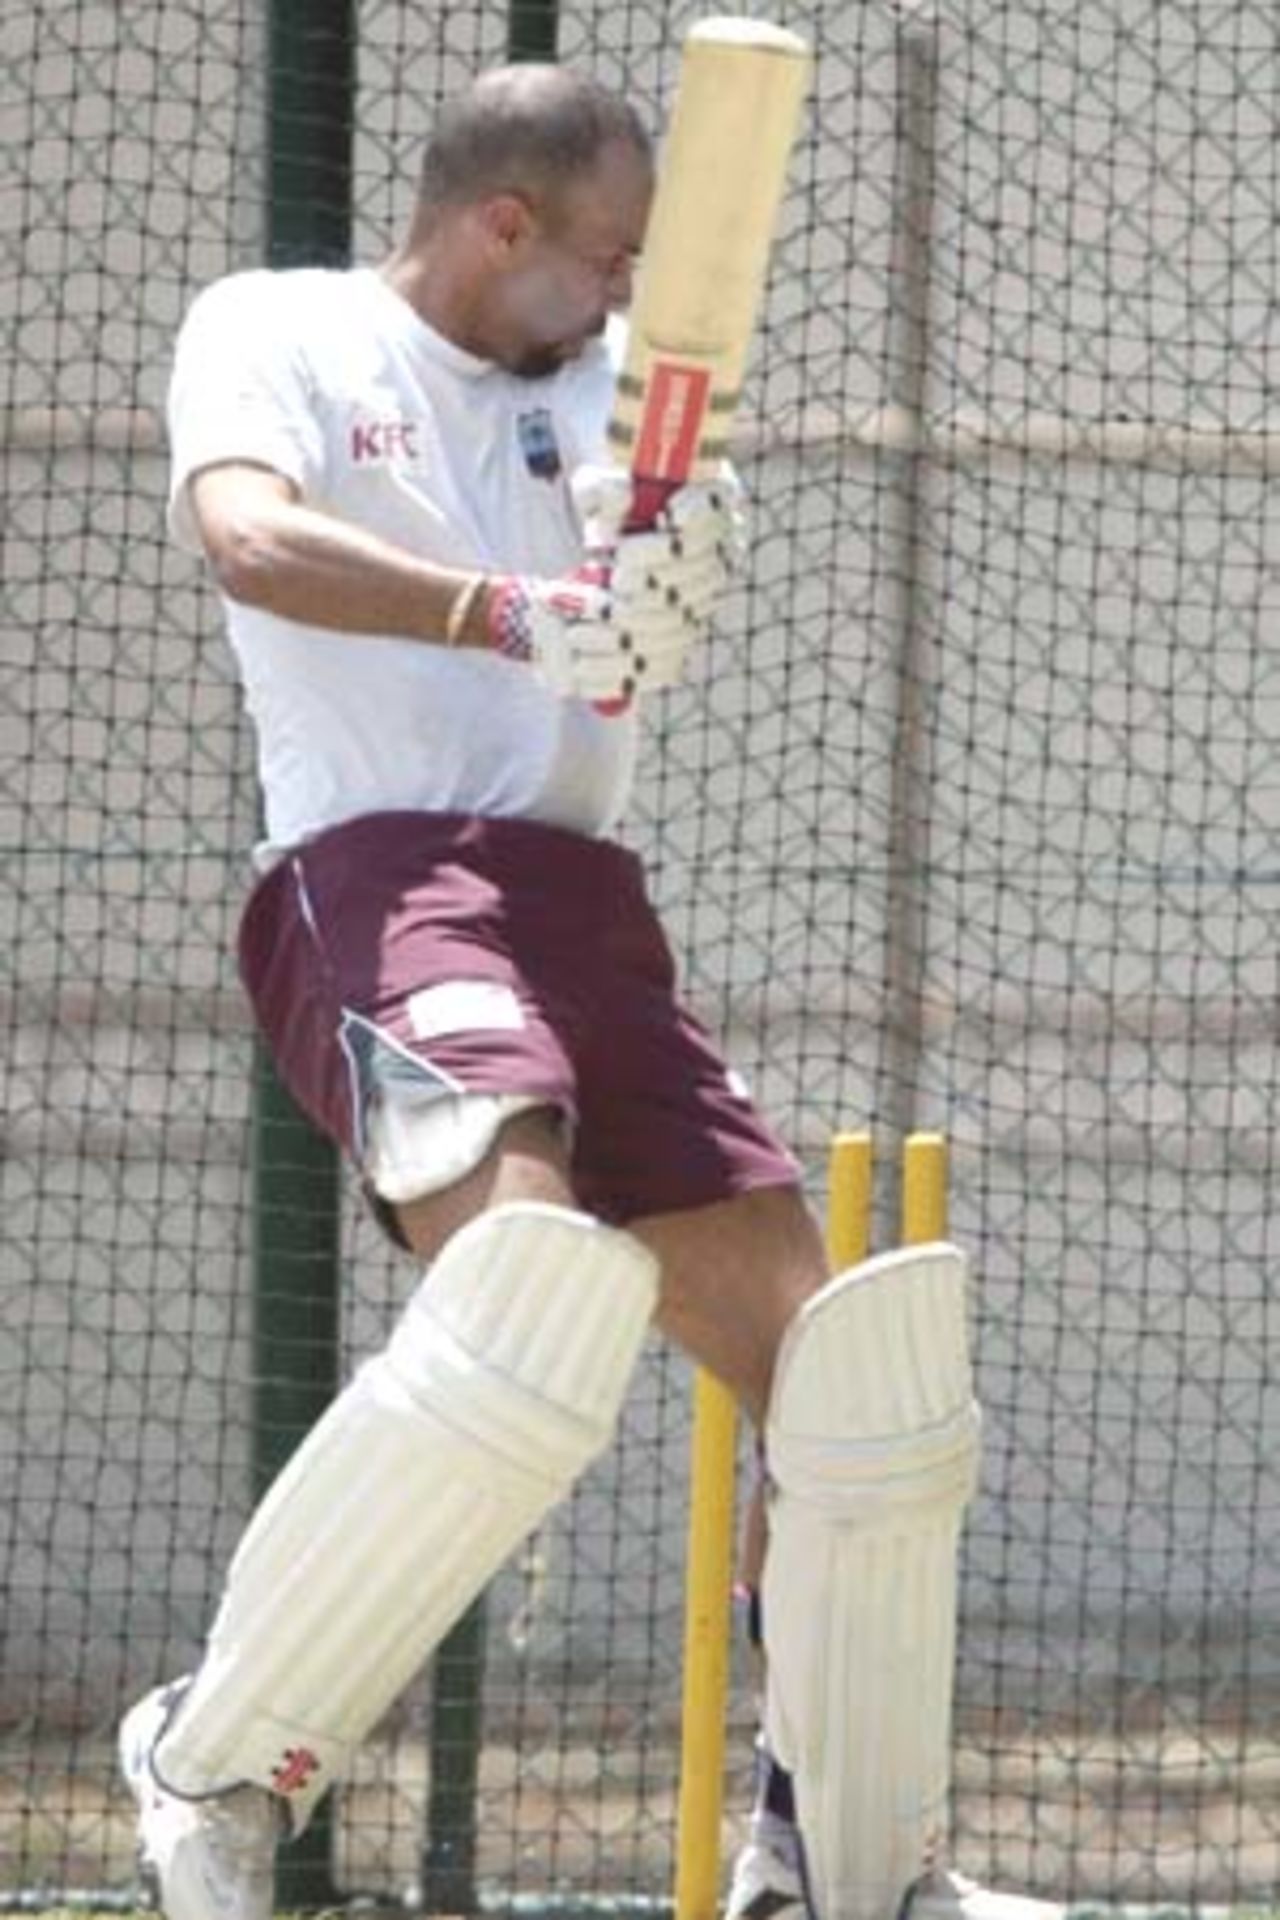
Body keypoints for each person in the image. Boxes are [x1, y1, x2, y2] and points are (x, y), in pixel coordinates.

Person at [118, 61, 1060, 1920]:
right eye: (610, 255)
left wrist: (666, 572)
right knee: (524, 1292)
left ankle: (845, 1865)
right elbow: (242, 536)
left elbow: (631, 598)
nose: (636, 291)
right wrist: (511, 610)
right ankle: (209, 1760)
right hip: (378, 872)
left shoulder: (617, 393)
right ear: (500, 226)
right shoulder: (277, 329)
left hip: (584, 904)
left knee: (853, 1387)